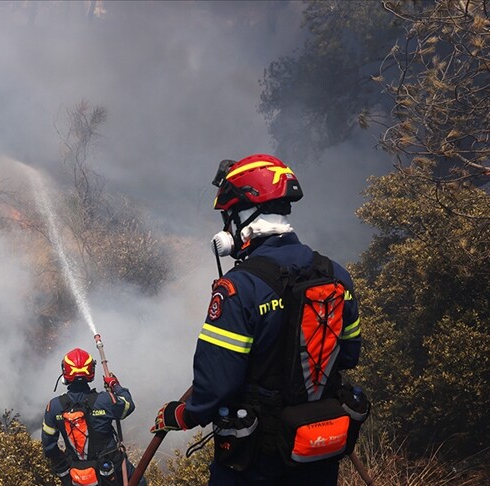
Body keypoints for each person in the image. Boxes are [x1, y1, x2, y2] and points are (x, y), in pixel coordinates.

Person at [150, 154, 363, 485]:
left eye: (229, 217)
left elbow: (218, 383)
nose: (227, 228)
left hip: (256, 461)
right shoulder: (336, 274)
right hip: (318, 450)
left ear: (245, 215)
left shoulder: (239, 287)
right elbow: (349, 354)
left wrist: (182, 414)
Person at [43, 347, 146, 486]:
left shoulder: (54, 407)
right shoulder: (105, 400)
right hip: (110, 471)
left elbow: (48, 447)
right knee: (138, 480)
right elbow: (128, 405)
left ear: (65, 371)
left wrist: (66, 466)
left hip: (75, 474)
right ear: (91, 370)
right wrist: (115, 385)